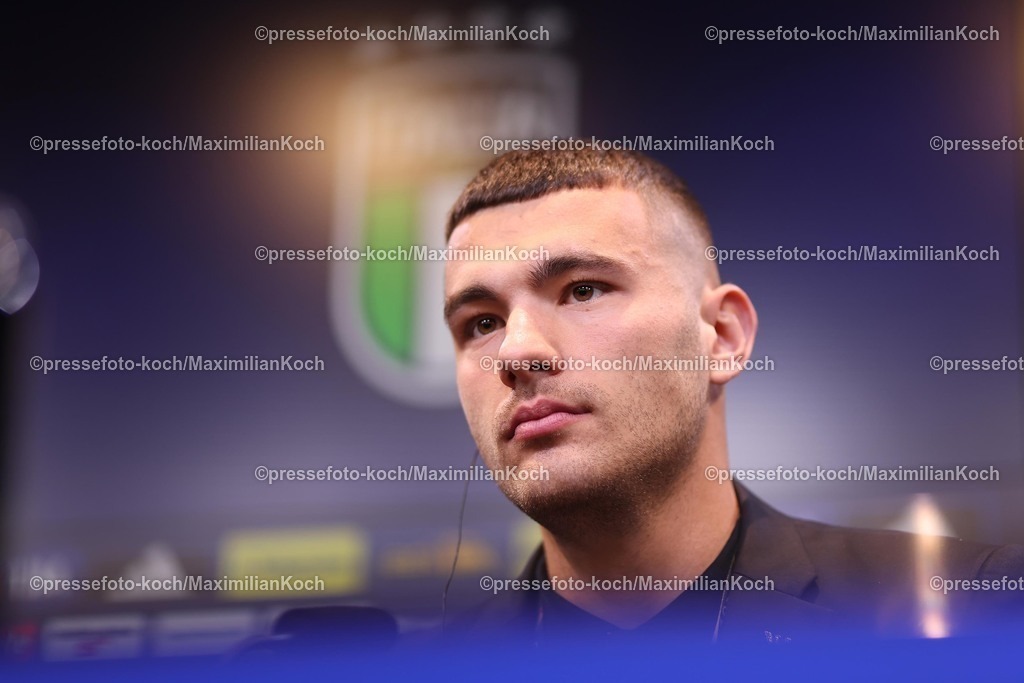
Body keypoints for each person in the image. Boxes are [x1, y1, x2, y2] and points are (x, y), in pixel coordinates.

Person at [440, 148, 1024, 646]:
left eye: (582, 290)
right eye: (481, 323)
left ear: (722, 336)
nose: (515, 353)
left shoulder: (974, 616)